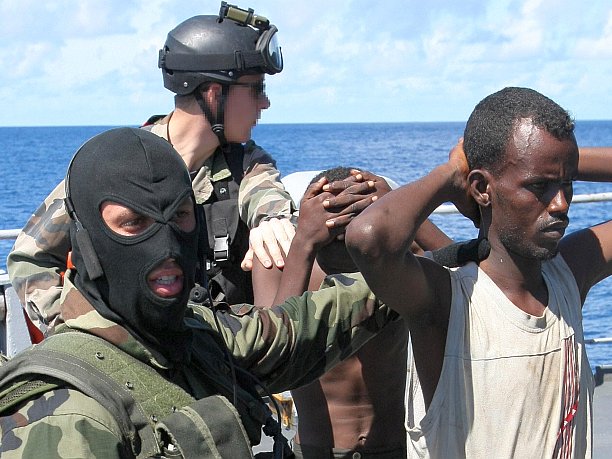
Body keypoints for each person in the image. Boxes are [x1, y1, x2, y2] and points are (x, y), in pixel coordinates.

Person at [0, 127, 399, 458]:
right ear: (86, 243)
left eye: (179, 215)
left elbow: (301, 328)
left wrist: (436, 258)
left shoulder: (196, 334)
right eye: (133, 222)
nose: (167, 246)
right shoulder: (65, 418)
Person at [345, 86, 612, 458]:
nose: (561, 204)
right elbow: (369, 239)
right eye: (540, 185)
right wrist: (453, 170)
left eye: (566, 184)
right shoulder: (446, 300)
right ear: (482, 188)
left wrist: (557, 161)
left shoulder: (568, 275)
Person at [7, 2, 296, 337]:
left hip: (210, 351)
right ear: (215, 94)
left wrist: (273, 220)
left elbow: (266, 194)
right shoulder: (116, 166)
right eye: (256, 89)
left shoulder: (245, 164)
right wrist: (80, 328)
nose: (265, 103)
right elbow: (30, 257)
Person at [254, 167, 460, 459]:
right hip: (316, 450)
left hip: (396, 447)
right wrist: (303, 242)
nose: (342, 234)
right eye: (331, 226)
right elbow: (268, 357)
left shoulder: (394, 260)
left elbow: (470, 284)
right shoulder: (280, 260)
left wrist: (397, 208)